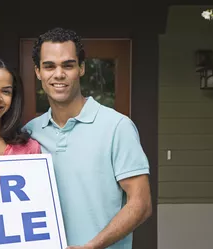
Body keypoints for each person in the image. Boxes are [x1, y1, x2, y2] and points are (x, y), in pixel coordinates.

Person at [23, 27, 152, 249]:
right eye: (49, 66)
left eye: (68, 65)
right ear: (38, 72)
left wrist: (92, 246)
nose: (59, 74)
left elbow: (141, 204)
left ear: (81, 68)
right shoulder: (28, 133)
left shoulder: (117, 127)